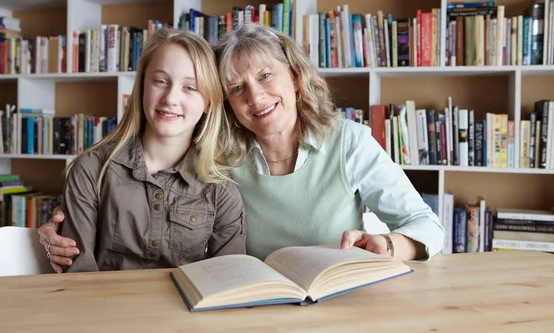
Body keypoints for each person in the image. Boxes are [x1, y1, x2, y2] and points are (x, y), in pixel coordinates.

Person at [40, 24, 444, 271]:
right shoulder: (220, 160)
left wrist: (392, 245)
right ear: (224, 102)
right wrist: (49, 230)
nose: (256, 96)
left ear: (296, 78)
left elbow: (427, 225)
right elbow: (140, 193)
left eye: (267, 75)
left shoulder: (349, 142)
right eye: (237, 87)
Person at [44, 27, 246, 273]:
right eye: (161, 81)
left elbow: (229, 282)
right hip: (102, 308)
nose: (170, 98)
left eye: (190, 87)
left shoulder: (221, 191)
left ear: (209, 102)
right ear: (141, 88)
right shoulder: (91, 170)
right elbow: (78, 273)